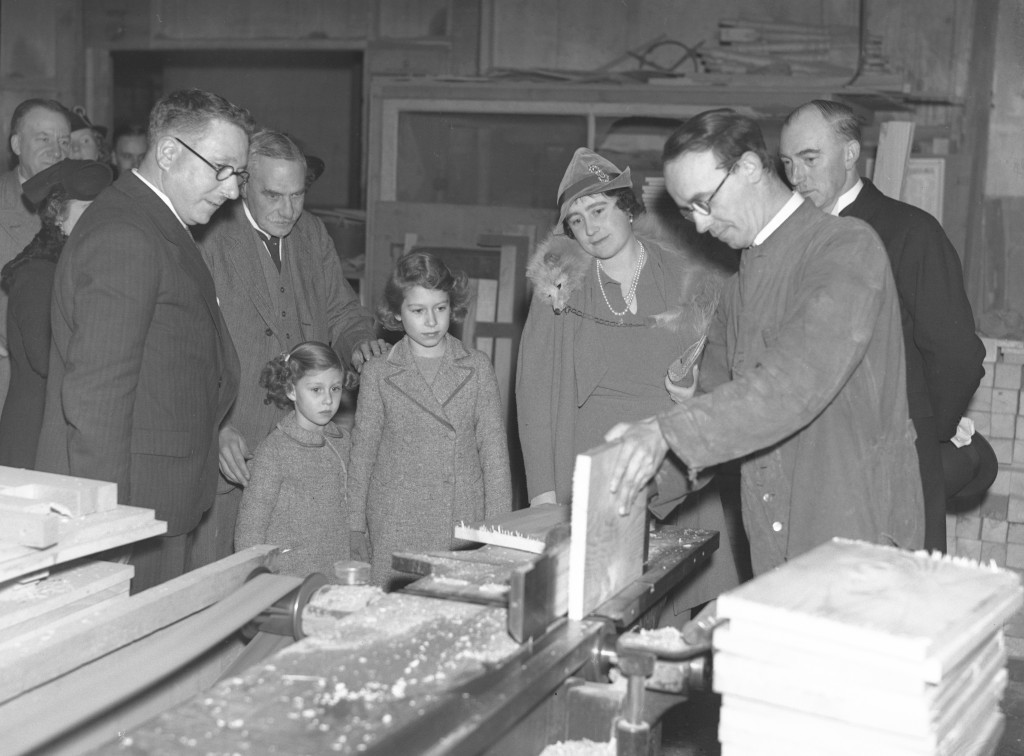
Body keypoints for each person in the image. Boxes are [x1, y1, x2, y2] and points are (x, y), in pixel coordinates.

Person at [605, 109, 924, 589]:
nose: (698, 225)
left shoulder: (846, 249)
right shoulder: (738, 289)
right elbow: (713, 410)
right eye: (687, 211)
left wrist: (663, 433)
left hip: (857, 542)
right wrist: (625, 490)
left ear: (750, 168)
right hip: (777, 548)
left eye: (703, 202)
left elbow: (792, 384)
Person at [35, 89, 253, 593]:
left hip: (156, 497)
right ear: (170, 152)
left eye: (239, 175)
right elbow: (96, 402)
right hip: (131, 510)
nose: (234, 191)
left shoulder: (156, 223)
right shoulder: (127, 235)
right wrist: (109, 534)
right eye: (222, 168)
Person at [516, 147, 741, 615]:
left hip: (673, 473)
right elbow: (534, 393)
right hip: (592, 476)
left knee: (666, 626)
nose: (590, 227)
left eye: (598, 210)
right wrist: (544, 499)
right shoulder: (560, 289)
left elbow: (728, 374)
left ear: (628, 207)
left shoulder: (687, 277)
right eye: (576, 220)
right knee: (595, 618)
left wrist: (697, 390)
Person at [779, 100, 987, 553]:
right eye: (788, 163)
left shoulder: (910, 231)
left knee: (891, 601)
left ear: (851, 154)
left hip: (894, 460)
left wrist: (925, 433)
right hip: (810, 459)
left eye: (810, 159)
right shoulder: (790, 240)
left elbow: (957, 353)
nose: (796, 176)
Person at [195, 129, 383, 565]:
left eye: (297, 195)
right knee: (227, 576)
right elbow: (192, 348)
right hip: (235, 442)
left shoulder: (312, 234)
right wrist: (215, 426)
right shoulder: (210, 237)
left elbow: (342, 311)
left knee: (299, 571)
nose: (288, 209)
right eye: (273, 195)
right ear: (243, 184)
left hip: (305, 445)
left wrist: (360, 345)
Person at [348, 251, 512, 588]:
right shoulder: (379, 371)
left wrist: (497, 529)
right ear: (396, 312)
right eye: (418, 310)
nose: (432, 321)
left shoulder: (477, 366)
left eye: (440, 308)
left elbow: (495, 454)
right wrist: (353, 525)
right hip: (395, 520)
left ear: (453, 308)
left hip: (461, 521)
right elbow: (363, 451)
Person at [0, 159, 113, 468]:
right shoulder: (37, 273)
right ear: (57, 216)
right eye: (86, 211)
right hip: (34, 440)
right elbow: (46, 357)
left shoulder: (75, 267)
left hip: (59, 433)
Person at [235, 342, 354, 578]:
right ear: (291, 390)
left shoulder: (343, 441)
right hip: (290, 577)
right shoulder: (274, 451)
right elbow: (250, 530)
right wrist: (256, 579)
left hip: (338, 572)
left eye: (335, 389)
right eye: (316, 389)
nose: (328, 400)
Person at [0, 99, 71, 411]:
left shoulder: (87, 208)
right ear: (17, 144)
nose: (56, 151)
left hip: (67, 390)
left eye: (64, 141)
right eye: (43, 139)